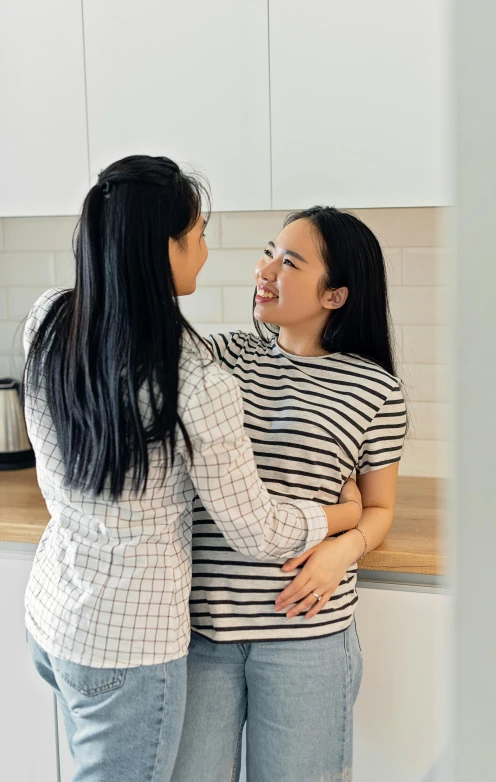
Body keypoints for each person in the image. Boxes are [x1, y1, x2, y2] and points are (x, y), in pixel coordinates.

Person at [22, 160, 361, 782]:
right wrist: (343, 515)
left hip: (53, 616)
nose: (207, 252)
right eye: (199, 235)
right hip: (129, 645)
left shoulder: (50, 319)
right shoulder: (196, 378)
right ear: (164, 249)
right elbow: (257, 531)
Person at [174, 206, 407, 782]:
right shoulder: (220, 355)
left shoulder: (376, 390)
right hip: (204, 632)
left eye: (291, 261)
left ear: (335, 296)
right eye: (269, 251)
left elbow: (378, 510)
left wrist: (341, 550)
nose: (266, 269)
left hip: (308, 638)